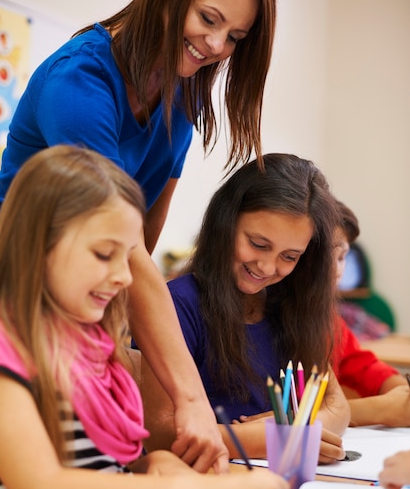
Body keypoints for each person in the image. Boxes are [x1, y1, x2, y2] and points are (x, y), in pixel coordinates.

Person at [0, 0, 277, 474]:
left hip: (79, 293)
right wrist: (190, 398)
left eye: (234, 36)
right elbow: (119, 245)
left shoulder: (184, 91)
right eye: (208, 19)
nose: (216, 47)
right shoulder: (79, 81)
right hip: (11, 284)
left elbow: (138, 243)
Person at [0, 145, 289, 489]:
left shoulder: (96, 355)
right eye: (104, 254)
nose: (125, 277)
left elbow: (101, 474)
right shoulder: (3, 355)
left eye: (128, 257)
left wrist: (152, 466)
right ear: (37, 243)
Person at [139, 153, 351, 465]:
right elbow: (160, 432)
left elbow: (337, 406)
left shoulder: (291, 307)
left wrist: (287, 431)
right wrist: (271, 439)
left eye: (290, 256)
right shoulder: (177, 304)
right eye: (258, 244)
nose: (267, 267)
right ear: (226, 222)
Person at [331, 200, 410, 427]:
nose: (336, 270)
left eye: (341, 257)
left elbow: (361, 365)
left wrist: (399, 390)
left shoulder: (327, 320)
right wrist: (379, 410)